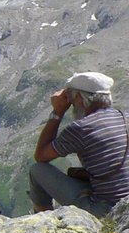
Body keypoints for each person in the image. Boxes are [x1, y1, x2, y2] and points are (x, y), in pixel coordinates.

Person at [31, 71, 129, 217]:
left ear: (79, 98)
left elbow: (41, 156)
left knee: (37, 170)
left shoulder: (81, 128)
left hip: (107, 210)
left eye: (70, 97)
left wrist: (57, 112)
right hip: (126, 205)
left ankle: (42, 219)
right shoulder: (125, 117)